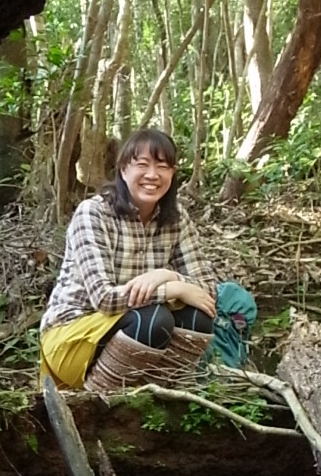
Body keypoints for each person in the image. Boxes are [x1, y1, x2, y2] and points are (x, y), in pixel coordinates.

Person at [39, 128, 248, 391]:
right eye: (142, 165)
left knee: (198, 317)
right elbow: (103, 299)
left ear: (172, 174)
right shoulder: (93, 214)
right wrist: (172, 289)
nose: (152, 175)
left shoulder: (176, 218)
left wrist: (167, 275)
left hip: (134, 333)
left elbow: (207, 291)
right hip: (72, 335)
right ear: (124, 170)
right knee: (153, 319)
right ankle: (99, 403)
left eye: (162, 166)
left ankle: (155, 402)